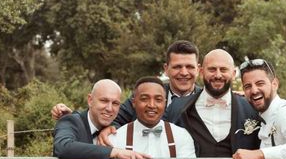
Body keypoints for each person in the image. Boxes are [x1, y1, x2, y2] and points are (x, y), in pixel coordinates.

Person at [51, 40, 202, 124]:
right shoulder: (144, 95)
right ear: (166, 69)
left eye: (189, 67)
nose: (183, 72)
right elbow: (110, 117)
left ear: (198, 69)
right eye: (177, 67)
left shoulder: (206, 98)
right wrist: (73, 117)